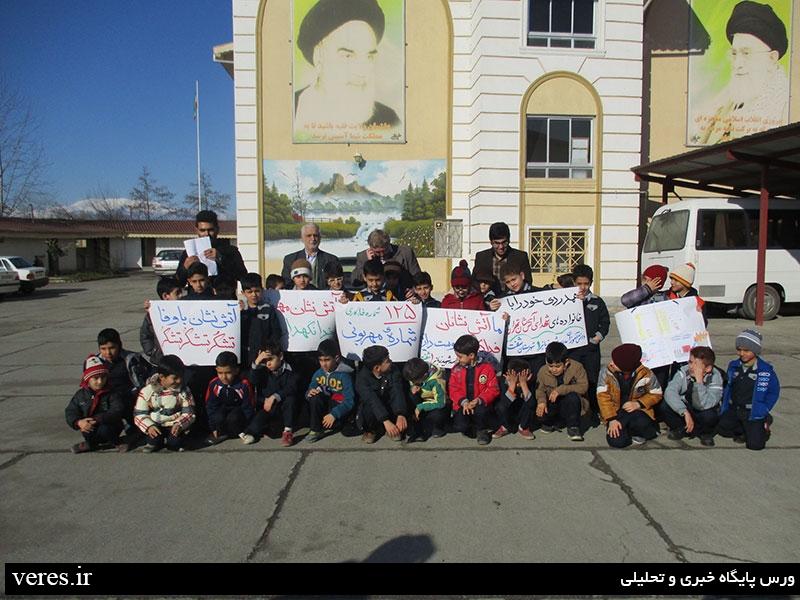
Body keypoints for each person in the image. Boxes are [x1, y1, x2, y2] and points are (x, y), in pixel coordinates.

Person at [294, 0, 402, 140]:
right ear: (319, 57)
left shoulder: (389, 120)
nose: (362, 71)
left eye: (369, 57)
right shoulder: (288, 111)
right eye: (348, 56)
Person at [691, 0, 789, 145]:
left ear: (772, 59)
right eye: (735, 53)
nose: (737, 64)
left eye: (747, 53)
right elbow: (697, 141)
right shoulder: (724, 105)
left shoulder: (786, 105)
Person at [715, 329, 780, 451]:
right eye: (739, 350)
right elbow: (728, 387)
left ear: (755, 351)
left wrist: (764, 408)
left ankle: (763, 424)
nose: (741, 353)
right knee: (722, 429)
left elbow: (774, 391)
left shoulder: (765, 371)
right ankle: (742, 429)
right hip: (735, 408)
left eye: (746, 350)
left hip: (752, 410)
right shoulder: (734, 366)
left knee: (755, 445)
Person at [84, 328, 151, 442]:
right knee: (98, 433)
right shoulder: (93, 363)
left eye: (112, 348)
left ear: (119, 345)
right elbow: (86, 386)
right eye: (103, 349)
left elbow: (150, 375)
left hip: (129, 399)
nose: (108, 353)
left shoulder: (132, 359)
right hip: (106, 401)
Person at [597, 343, 663, 448]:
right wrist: (611, 419)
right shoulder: (606, 372)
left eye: (615, 362)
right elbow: (602, 397)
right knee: (617, 442)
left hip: (637, 411)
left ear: (625, 366)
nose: (611, 363)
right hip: (616, 412)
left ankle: (637, 431)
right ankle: (624, 430)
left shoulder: (646, 374)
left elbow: (656, 393)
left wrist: (639, 404)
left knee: (643, 424)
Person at [658, 346, 724, 447]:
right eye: (690, 362)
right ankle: (680, 428)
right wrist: (684, 412)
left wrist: (699, 381)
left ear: (708, 368)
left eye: (696, 364)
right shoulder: (684, 372)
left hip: (704, 407)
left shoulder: (716, 378)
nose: (691, 367)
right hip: (687, 406)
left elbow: (702, 405)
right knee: (665, 405)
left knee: (709, 416)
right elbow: (670, 391)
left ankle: (705, 433)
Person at [489, 261, 547, 375]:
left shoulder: (539, 293)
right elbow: (493, 327)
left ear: (522, 275)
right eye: (508, 282)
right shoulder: (502, 300)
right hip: (513, 353)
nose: (512, 284)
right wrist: (493, 312)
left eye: (514, 279)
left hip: (536, 352)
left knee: (535, 383)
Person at [569, 264, 610, 422]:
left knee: (592, 379)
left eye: (586, 284)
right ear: (574, 282)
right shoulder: (568, 301)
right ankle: (575, 410)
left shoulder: (597, 302)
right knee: (573, 379)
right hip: (573, 349)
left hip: (591, 349)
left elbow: (605, 323)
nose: (583, 287)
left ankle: (593, 410)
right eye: (579, 284)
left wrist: (596, 338)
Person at [243, 338, 300, 447]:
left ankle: (287, 431)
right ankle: (259, 431)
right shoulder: (263, 370)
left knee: (290, 399)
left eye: (271, 359)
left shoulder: (290, 370)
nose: (268, 364)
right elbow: (252, 381)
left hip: (284, 408)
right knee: (255, 427)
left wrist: (275, 396)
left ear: (281, 356)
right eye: (265, 361)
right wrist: (256, 362)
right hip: (268, 408)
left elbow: (292, 388)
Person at [134, 355, 196, 453]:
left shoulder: (183, 390)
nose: (179, 381)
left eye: (180, 377)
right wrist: (149, 426)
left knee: (174, 443)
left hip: (174, 423)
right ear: (162, 377)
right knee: (154, 440)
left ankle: (175, 441)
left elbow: (189, 412)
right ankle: (155, 442)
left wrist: (179, 424)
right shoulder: (147, 391)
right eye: (175, 378)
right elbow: (139, 414)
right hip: (155, 424)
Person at [65, 356, 127, 454]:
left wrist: (98, 419)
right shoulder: (81, 395)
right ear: (88, 379)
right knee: (86, 430)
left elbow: (117, 410)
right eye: (96, 378)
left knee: (105, 429)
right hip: (90, 426)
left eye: (103, 377)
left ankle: (116, 442)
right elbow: (71, 411)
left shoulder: (112, 393)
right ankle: (91, 444)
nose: (100, 381)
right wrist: (78, 422)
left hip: (109, 425)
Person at [175, 209, 247, 289]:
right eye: (202, 230)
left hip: (224, 297)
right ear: (196, 230)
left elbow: (243, 277)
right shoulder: (189, 253)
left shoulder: (230, 251)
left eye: (210, 230)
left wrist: (221, 259)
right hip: (198, 299)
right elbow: (178, 283)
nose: (207, 234)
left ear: (217, 229)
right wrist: (184, 268)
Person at [449, 334, 499, 445]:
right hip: (463, 404)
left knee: (481, 412)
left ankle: (482, 430)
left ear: (471, 355)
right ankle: (469, 426)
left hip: (480, 404)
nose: (457, 359)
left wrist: (480, 400)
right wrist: (463, 401)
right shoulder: (456, 369)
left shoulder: (487, 368)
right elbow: (453, 389)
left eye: (460, 356)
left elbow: (493, 389)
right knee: (460, 425)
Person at [533, 341, 589, 442]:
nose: (554, 369)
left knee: (573, 397)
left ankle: (573, 427)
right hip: (552, 404)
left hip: (570, 404)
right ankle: (550, 422)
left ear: (566, 362)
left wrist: (561, 390)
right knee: (541, 410)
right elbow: (540, 389)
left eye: (557, 366)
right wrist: (541, 401)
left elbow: (583, 387)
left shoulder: (577, 367)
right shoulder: (543, 371)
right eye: (551, 366)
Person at [355, 345, 409, 443]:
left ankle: (394, 427)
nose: (391, 362)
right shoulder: (362, 378)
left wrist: (401, 414)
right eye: (387, 361)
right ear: (377, 368)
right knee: (367, 408)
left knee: (400, 398)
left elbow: (397, 392)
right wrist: (385, 420)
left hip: (388, 405)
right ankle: (371, 430)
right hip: (373, 410)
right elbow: (372, 400)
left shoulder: (394, 371)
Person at [305, 338, 356, 443]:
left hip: (339, 410)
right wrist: (309, 393)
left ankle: (341, 423)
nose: (324, 364)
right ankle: (315, 430)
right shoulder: (318, 373)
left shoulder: (344, 375)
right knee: (315, 397)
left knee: (346, 432)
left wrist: (334, 414)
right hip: (326, 407)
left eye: (327, 360)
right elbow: (310, 389)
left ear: (336, 358)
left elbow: (350, 400)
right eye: (321, 360)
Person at [204, 351, 255, 446]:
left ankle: (239, 433)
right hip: (222, 411)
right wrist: (213, 428)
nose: (224, 377)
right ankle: (219, 433)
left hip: (237, 413)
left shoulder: (243, 384)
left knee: (233, 417)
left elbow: (248, 407)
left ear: (236, 370)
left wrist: (247, 429)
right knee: (218, 416)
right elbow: (210, 406)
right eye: (220, 373)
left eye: (228, 373)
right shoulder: (214, 384)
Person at [239, 272, 283, 380]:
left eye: (257, 291)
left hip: (263, 356)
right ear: (243, 293)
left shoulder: (268, 309)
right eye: (249, 292)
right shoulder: (239, 310)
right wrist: (241, 313)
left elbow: (276, 332)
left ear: (262, 290)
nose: (254, 295)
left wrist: (268, 350)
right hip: (245, 356)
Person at [351, 229, 420, 294]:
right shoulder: (363, 257)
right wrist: (369, 263)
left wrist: (414, 290)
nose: (382, 254)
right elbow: (355, 281)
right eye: (377, 252)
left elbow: (418, 277)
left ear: (389, 243)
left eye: (384, 250)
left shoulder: (406, 253)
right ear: (370, 248)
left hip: (403, 297)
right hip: (375, 300)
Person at [473, 222, 532, 295]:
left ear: (509, 240)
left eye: (504, 242)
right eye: (497, 243)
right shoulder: (482, 257)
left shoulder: (520, 257)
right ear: (491, 242)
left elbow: (527, 282)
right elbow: (474, 282)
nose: (501, 247)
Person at [402, 357, 449, 442]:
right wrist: (413, 388)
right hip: (422, 401)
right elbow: (412, 383)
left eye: (415, 381)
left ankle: (437, 427)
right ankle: (418, 428)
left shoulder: (436, 382)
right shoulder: (414, 374)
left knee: (437, 415)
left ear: (424, 375)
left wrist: (421, 407)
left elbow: (441, 403)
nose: (413, 382)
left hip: (436, 404)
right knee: (411, 396)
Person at [281, 223, 340, 290]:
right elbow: (287, 284)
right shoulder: (290, 260)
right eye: (309, 236)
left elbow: (337, 284)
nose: (313, 238)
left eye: (315, 235)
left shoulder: (331, 260)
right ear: (302, 238)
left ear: (320, 238)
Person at [140, 276, 183, 367]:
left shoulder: (186, 310)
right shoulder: (153, 314)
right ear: (165, 296)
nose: (181, 296)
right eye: (177, 293)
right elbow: (145, 335)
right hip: (160, 361)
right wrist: (153, 352)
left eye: (181, 292)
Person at [493, 357, 536, 441]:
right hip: (508, 413)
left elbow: (531, 404)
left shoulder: (530, 383)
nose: (518, 384)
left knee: (530, 402)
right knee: (500, 407)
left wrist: (523, 384)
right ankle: (505, 427)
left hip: (522, 413)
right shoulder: (502, 382)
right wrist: (512, 385)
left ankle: (523, 427)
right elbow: (503, 404)